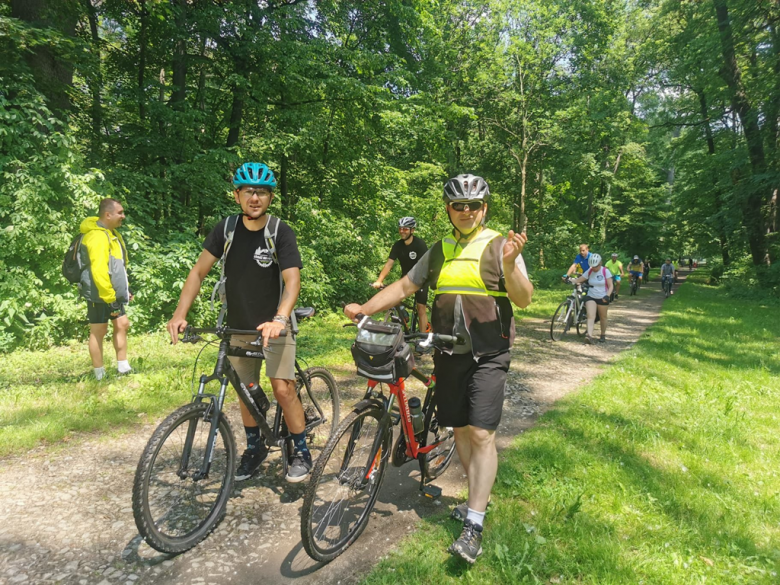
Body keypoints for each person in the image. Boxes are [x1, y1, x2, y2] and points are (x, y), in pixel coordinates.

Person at [345, 174, 533, 564]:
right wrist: (364, 308)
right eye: (458, 206)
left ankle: (474, 525)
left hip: (490, 353)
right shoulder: (439, 249)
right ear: (448, 209)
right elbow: (402, 287)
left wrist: (512, 265)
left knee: (481, 432)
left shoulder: (501, 245)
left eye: (474, 206)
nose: (466, 212)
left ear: (485, 208)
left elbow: (524, 299)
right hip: (448, 353)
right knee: (461, 428)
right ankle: (474, 500)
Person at [166, 162, 310, 483]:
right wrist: (180, 313)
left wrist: (280, 318)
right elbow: (197, 272)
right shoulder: (226, 229)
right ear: (237, 195)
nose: (254, 197)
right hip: (238, 327)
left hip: (274, 327)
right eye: (248, 191)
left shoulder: (279, 232)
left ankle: (301, 450)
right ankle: (255, 447)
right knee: (245, 391)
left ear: (270, 197)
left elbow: (292, 282)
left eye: (261, 192)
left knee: (282, 388)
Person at [79, 198, 132, 381]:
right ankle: (99, 374)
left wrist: (125, 289)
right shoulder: (96, 236)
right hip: (98, 292)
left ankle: (123, 367)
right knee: (99, 331)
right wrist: (110, 296)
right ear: (107, 214)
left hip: (112, 293)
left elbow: (118, 266)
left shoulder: (112, 234)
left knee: (122, 324)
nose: (123, 216)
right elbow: (99, 270)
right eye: (120, 213)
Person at [371, 217, 429, 332]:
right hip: (406, 279)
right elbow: (389, 264)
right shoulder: (398, 245)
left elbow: (425, 265)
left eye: (405, 229)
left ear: (412, 230)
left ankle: (423, 339)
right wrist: (379, 280)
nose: (402, 231)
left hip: (421, 280)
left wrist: (419, 283)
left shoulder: (420, 244)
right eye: (400, 229)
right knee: (394, 300)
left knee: (421, 308)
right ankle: (403, 321)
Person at [573, 253, 613, 343]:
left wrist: (608, 295)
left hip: (603, 297)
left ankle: (603, 334)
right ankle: (589, 336)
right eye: (592, 266)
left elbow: (611, 286)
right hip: (591, 296)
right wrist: (570, 280)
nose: (594, 268)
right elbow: (579, 279)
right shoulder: (590, 271)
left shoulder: (605, 271)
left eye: (596, 266)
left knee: (603, 317)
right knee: (590, 316)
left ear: (600, 263)